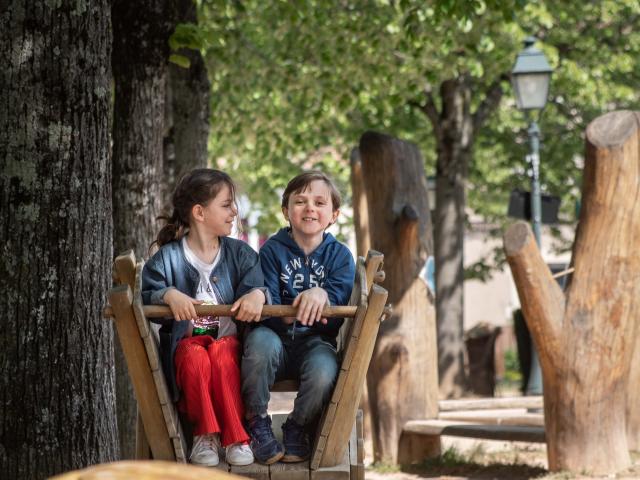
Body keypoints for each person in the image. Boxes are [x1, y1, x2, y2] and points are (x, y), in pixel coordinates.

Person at [142, 168, 268, 467]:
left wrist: (258, 295)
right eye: (226, 204)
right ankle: (205, 434)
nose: (234, 211)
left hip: (227, 342)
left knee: (224, 356)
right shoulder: (168, 257)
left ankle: (236, 436)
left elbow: (258, 285)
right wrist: (168, 295)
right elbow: (148, 292)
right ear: (199, 212)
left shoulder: (241, 254)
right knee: (196, 357)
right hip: (189, 346)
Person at [241, 171, 355, 464]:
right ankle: (258, 423)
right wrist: (296, 311)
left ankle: (297, 426)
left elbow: (336, 312)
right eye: (300, 201)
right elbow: (269, 311)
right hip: (273, 339)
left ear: (334, 214)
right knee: (259, 345)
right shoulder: (270, 251)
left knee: (324, 370)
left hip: (315, 342)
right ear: (286, 211)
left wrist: (322, 295)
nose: (310, 209)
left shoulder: (340, 257)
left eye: (319, 202)